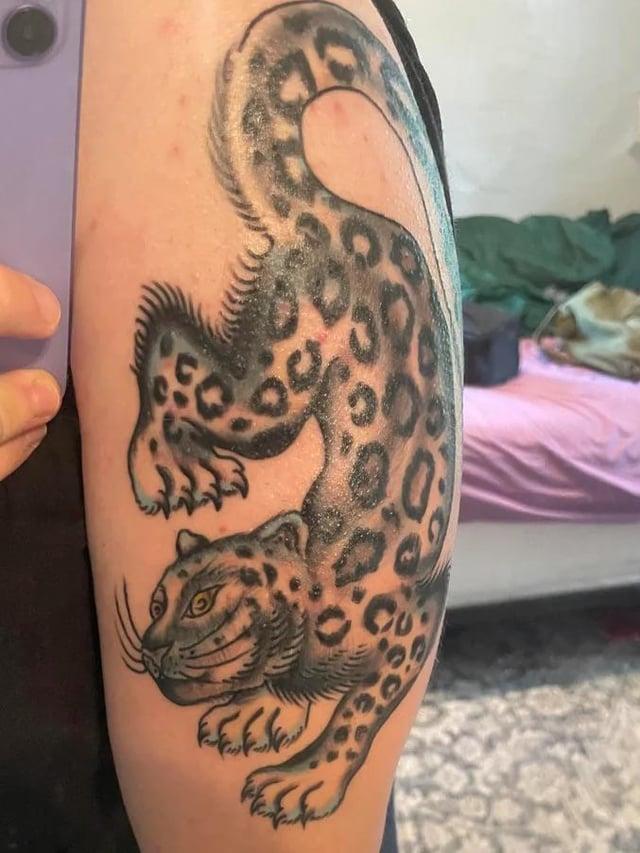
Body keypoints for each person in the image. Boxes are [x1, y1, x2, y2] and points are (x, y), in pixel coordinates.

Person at [0, 1, 461, 850]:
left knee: (253, 419)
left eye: (191, 602)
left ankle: (173, 390)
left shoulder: (178, 25)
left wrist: (330, 759)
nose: (163, 640)